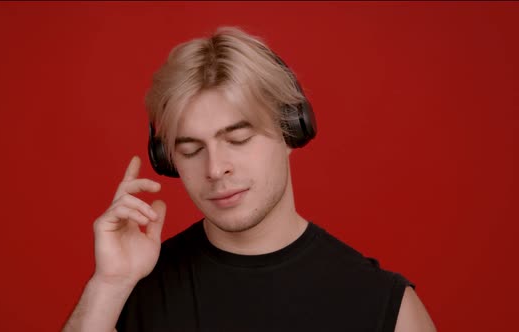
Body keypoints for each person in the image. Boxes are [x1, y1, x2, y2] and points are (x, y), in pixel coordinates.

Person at [62, 26, 436, 332]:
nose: (215, 168)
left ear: (291, 131)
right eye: (191, 149)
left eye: (237, 140)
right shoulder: (130, 292)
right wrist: (108, 286)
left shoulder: (384, 306)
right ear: (167, 159)